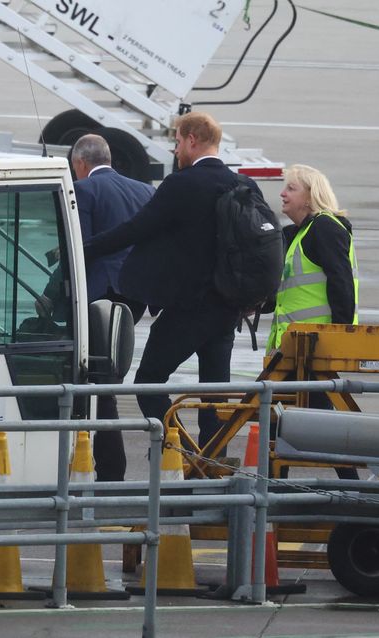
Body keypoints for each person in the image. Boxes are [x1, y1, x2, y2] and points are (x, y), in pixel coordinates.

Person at [83, 111, 261, 450]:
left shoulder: (183, 184)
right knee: (214, 393)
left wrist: (84, 247)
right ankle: (210, 463)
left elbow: (136, 229)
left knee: (148, 381)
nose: (176, 151)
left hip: (190, 307)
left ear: (192, 140)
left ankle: (179, 453)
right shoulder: (244, 185)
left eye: (178, 142)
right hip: (228, 310)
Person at [70, 133, 155, 481]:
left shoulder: (85, 190)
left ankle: (109, 470)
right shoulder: (144, 191)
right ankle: (104, 467)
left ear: (79, 163)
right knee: (109, 376)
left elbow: (81, 250)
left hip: (100, 295)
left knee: (99, 383)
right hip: (135, 296)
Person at [267, 163, 359, 480]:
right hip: (294, 348)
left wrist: (339, 337)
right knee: (279, 421)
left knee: (305, 423)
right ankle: (271, 488)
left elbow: (342, 285)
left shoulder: (325, 228)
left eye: (291, 188)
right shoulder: (300, 234)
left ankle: (354, 491)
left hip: (314, 349)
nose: (282, 193)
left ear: (310, 197)